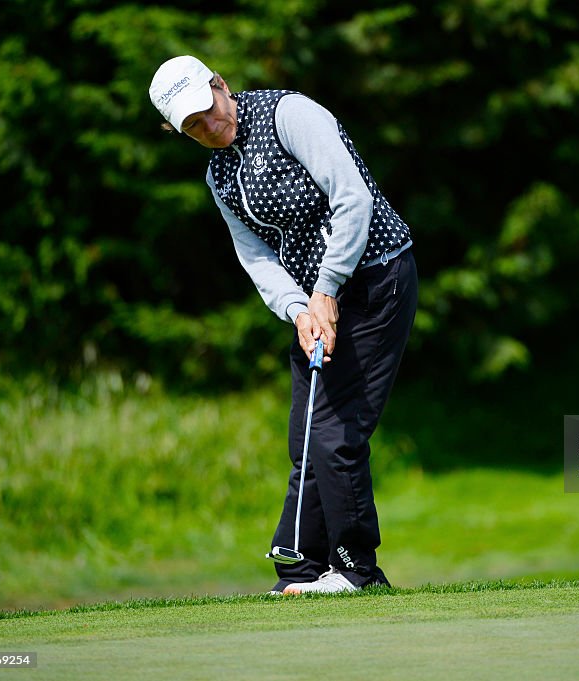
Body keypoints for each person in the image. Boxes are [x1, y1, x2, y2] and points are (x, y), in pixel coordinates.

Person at [149, 55, 417, 594]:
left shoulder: (289, 115)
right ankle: (303, 569)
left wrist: (326, 290)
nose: (208, 127)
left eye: (207, 110)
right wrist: (299, 310)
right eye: (192, 127)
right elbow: (257, 258)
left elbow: (352, 200)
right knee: (306, 437)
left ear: (220, 85)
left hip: (376, 279)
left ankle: (357, 571)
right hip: (315, 302)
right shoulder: (218, 174)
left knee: (336, 433)